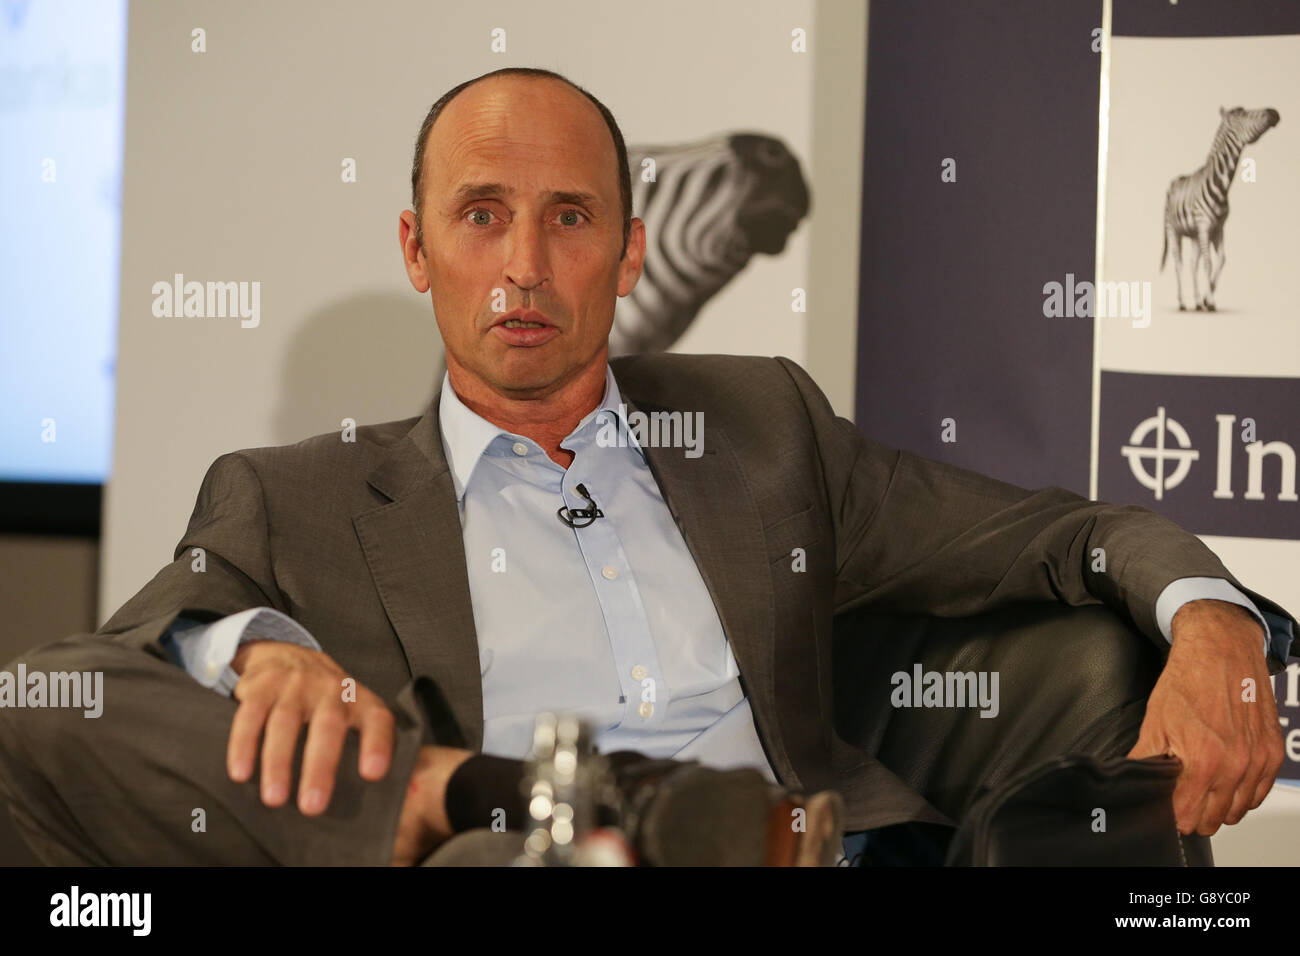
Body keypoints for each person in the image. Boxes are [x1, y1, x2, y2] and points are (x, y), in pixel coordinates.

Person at [0, 67, 1293, 867]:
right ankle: (487, 795)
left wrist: (1217, 623)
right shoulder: (296, 494)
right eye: (480, 213)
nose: (522, 265)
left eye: (568, 219)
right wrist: (252, 646)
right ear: (415, 245)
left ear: (627, 253)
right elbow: (99, 683)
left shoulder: (760, 427)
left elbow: (1058, 533)